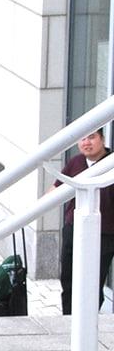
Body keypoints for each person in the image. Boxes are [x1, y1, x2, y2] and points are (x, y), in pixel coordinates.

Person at [56, 126, 114, 315]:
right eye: (82, 139)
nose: (86, 143)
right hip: (74, 228)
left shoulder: (111, 163)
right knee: (68, 278)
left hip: (105, 233)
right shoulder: (76, 162)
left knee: (92, 281)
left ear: (102, 139)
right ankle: (67, 321)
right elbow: (55, 190)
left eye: (91, 137)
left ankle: (88, 322)